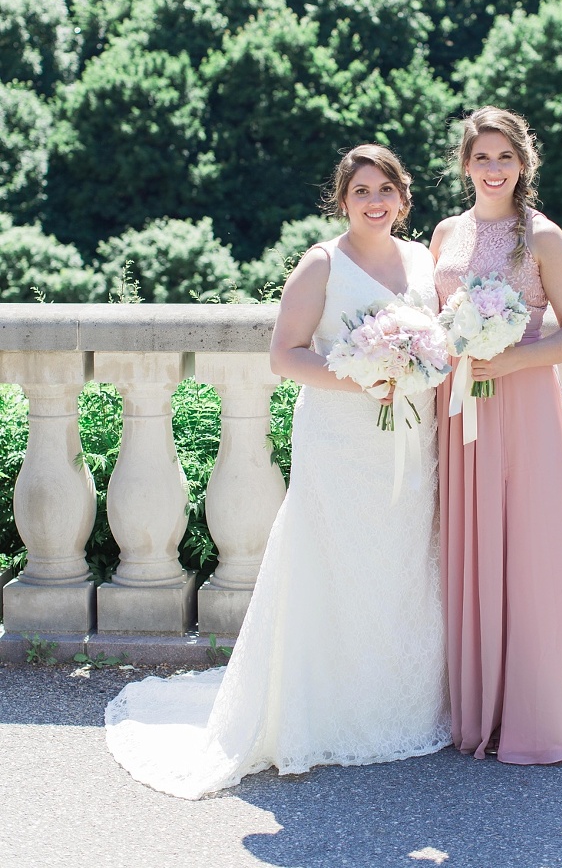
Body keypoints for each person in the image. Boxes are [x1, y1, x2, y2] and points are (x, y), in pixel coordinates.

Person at [105, 144, 450, 798]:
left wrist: (415, 369)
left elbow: (436, 343)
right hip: (341, 439)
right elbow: (285, 356)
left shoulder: (420, 261)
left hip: (411, 439)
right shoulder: (321, 264)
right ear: (342, 201)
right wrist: (364, 377)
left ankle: (397, 706)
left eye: (385, 190)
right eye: (360, 192)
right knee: (336, 563)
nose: (374, 202)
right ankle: (325, 708)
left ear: (402, 199)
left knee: (402, 564)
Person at [430, 106, 562, 765]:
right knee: (470, 547)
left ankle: (539, 716)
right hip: (461, 406)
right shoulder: (447, 232)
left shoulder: (543, 238)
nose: (493, 168)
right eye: (482, 157)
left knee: (528, 550)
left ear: (524, 163)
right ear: (465, 165)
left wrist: (512, 358)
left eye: (505, 156)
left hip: (523, 403)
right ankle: (479, 709)